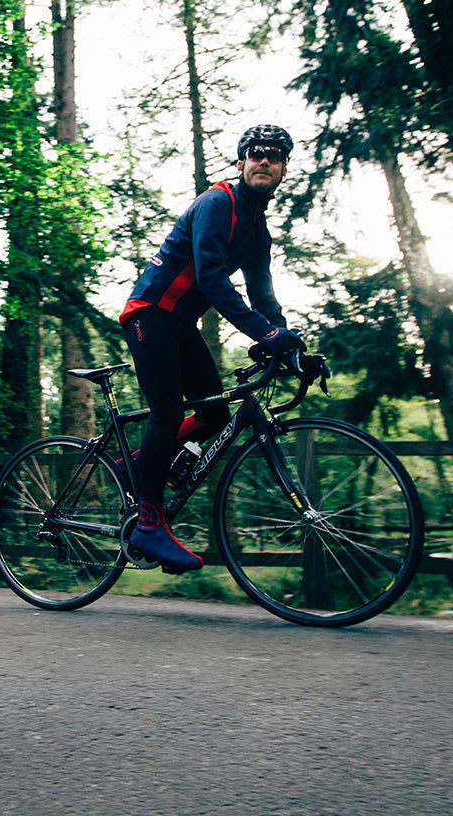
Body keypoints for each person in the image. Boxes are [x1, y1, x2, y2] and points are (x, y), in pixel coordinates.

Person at [119, 124, 306, 573]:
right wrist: (264, 334)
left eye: (275, 156)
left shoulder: (258, 230)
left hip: (179, 323)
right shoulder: (217, 202)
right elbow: (211, 278)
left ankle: (142, 464)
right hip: (149, 313)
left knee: (215, 415)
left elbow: (262, 295)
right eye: (256, 153)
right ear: (241, 163)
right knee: (167, 412)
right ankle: (148, 523)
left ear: (283, 169)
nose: (265, 160)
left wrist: (288, 343)